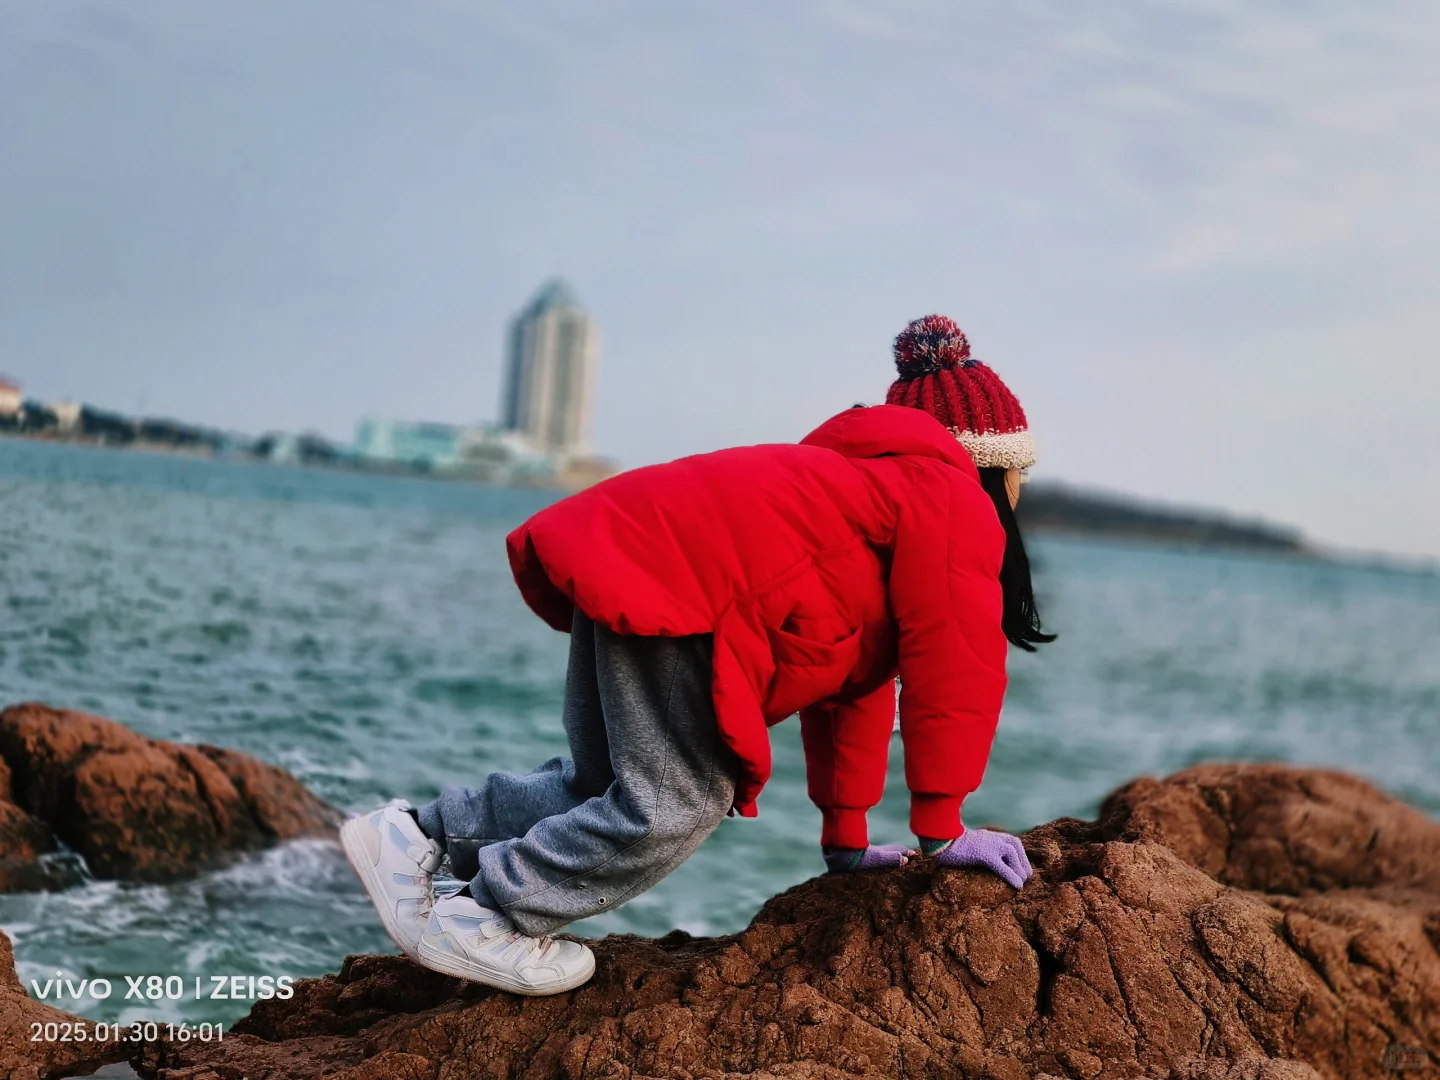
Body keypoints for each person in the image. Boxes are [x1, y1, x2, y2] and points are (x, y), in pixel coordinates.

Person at [340, 314, 1055, 995]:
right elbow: (955, 666)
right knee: (678, 800)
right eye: (1020, 471)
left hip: (632, 553)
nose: (1022, 490)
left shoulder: (860, 493)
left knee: (606, 786)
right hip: (688, 593)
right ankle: (489, 916)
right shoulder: (951, 497)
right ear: (988, 464)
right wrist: (944, 831)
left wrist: (847, 840)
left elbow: (854, 690)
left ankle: (415, 834)